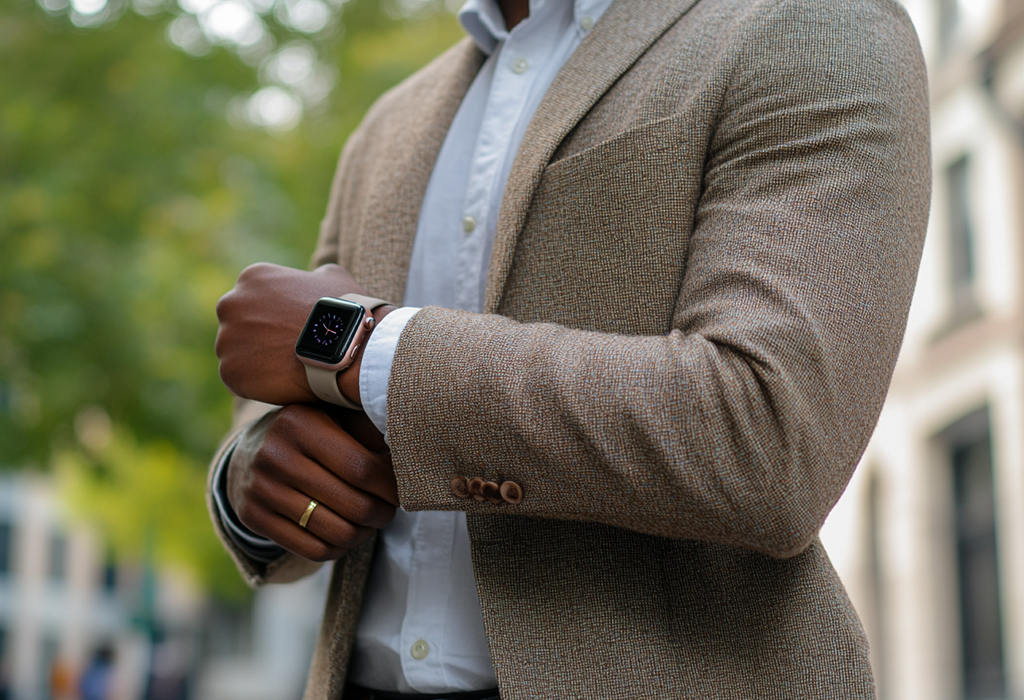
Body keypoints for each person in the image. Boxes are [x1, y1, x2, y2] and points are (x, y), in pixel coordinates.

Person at [209, 0, 931, 697]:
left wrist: (362, 345)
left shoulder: (817, 26)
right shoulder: (386, 127)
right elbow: (285, 393)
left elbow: (771, 438)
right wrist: (248, 478)